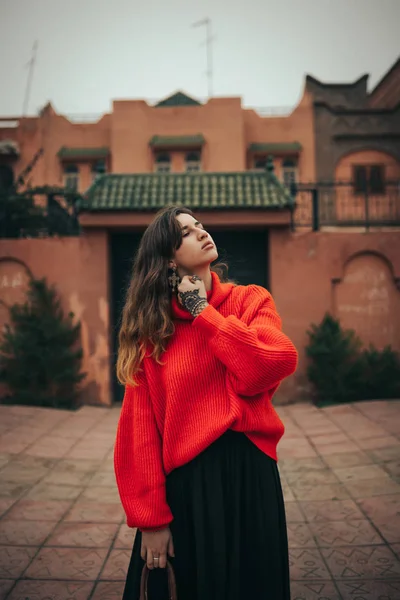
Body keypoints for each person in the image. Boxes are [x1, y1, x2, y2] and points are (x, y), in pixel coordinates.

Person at [114, 205, 298, 600]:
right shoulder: (153, 331)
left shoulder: (250, 301)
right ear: (166, 258)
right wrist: (151, 521)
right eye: (185, 232)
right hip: (189, 489)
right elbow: (140, 429)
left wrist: (203, 313)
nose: (201, 232)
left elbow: (270, 365)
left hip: (250, 476)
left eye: (199, 224)